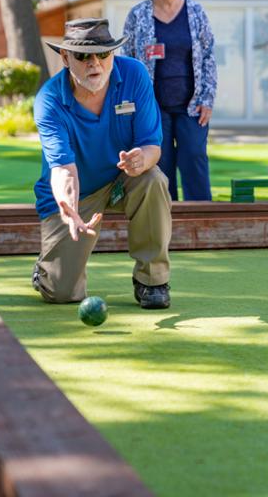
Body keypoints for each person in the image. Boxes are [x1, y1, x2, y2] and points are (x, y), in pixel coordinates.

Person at [31, 18, 172, 309]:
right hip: (76, 192)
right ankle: (46, 271)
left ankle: (152, 281)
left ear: (113, 54)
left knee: (153, 179)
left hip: (124, 180)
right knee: (61, 293)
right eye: (83, 55)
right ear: (65, 57)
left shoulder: (134, 74)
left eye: (103, 54)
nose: (94, 63)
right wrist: (68, 208)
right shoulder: (49, 99)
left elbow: (153, 147)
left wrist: (141, 160)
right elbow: (62, 169)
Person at [121, 0, 217, 201]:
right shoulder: (138, 15)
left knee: (194, 156)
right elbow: (127, 60)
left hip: (192, 105)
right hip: (152, 105)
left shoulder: (195, 12)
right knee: (160, 161)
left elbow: (208, 56)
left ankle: (202, 217)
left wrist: (207, 99)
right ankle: (166, 219)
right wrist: (131, 103)